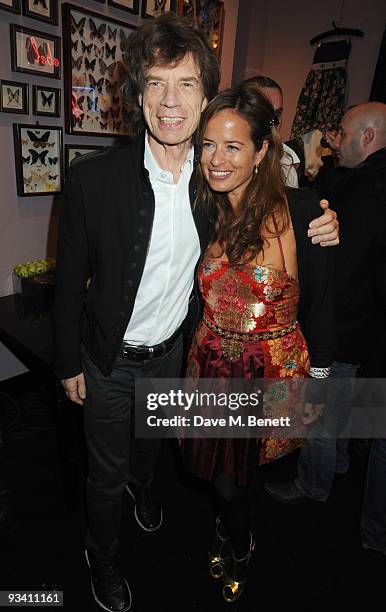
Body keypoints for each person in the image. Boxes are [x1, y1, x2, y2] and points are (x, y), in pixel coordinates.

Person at [53, 13, 339, 612]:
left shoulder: (214, 183)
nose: (170, 100)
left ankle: (145, 488)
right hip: (106, 359)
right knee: (103, 477)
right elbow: (67, 285)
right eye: (155, 83)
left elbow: (274, 195)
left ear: (205, 96)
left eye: (184, 83)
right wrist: (66, 362)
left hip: (177, 357)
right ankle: (101, 556)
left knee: (153, 450)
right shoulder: (91, 181)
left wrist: (325, 217)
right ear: (137, 96)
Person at [181, 83, 335, 603]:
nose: (216, 160)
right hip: (209, 365)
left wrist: (321, 384)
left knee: (238, 476)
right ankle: (233, 528)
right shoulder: (205, 207)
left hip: (271, 368)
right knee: (221, 474)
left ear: (262, 150)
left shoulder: (307, 210)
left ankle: (239, 539)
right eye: (207, 145)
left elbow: (325, 306)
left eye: (232, 146)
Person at [264, 102, 386, 505]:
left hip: (343, 326)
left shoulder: (370, 189)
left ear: (368, 137)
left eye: (345, 136)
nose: (337, 144)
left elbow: (341, 266)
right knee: (340, 409)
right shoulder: (364, 178)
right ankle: (337, 466)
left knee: (318, 417)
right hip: (362, 326)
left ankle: (312, 486)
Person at [241, 75, 301, 186]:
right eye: (264, 113)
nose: (274, 121)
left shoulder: (286, 167)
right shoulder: (224, 158)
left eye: (277, 114)